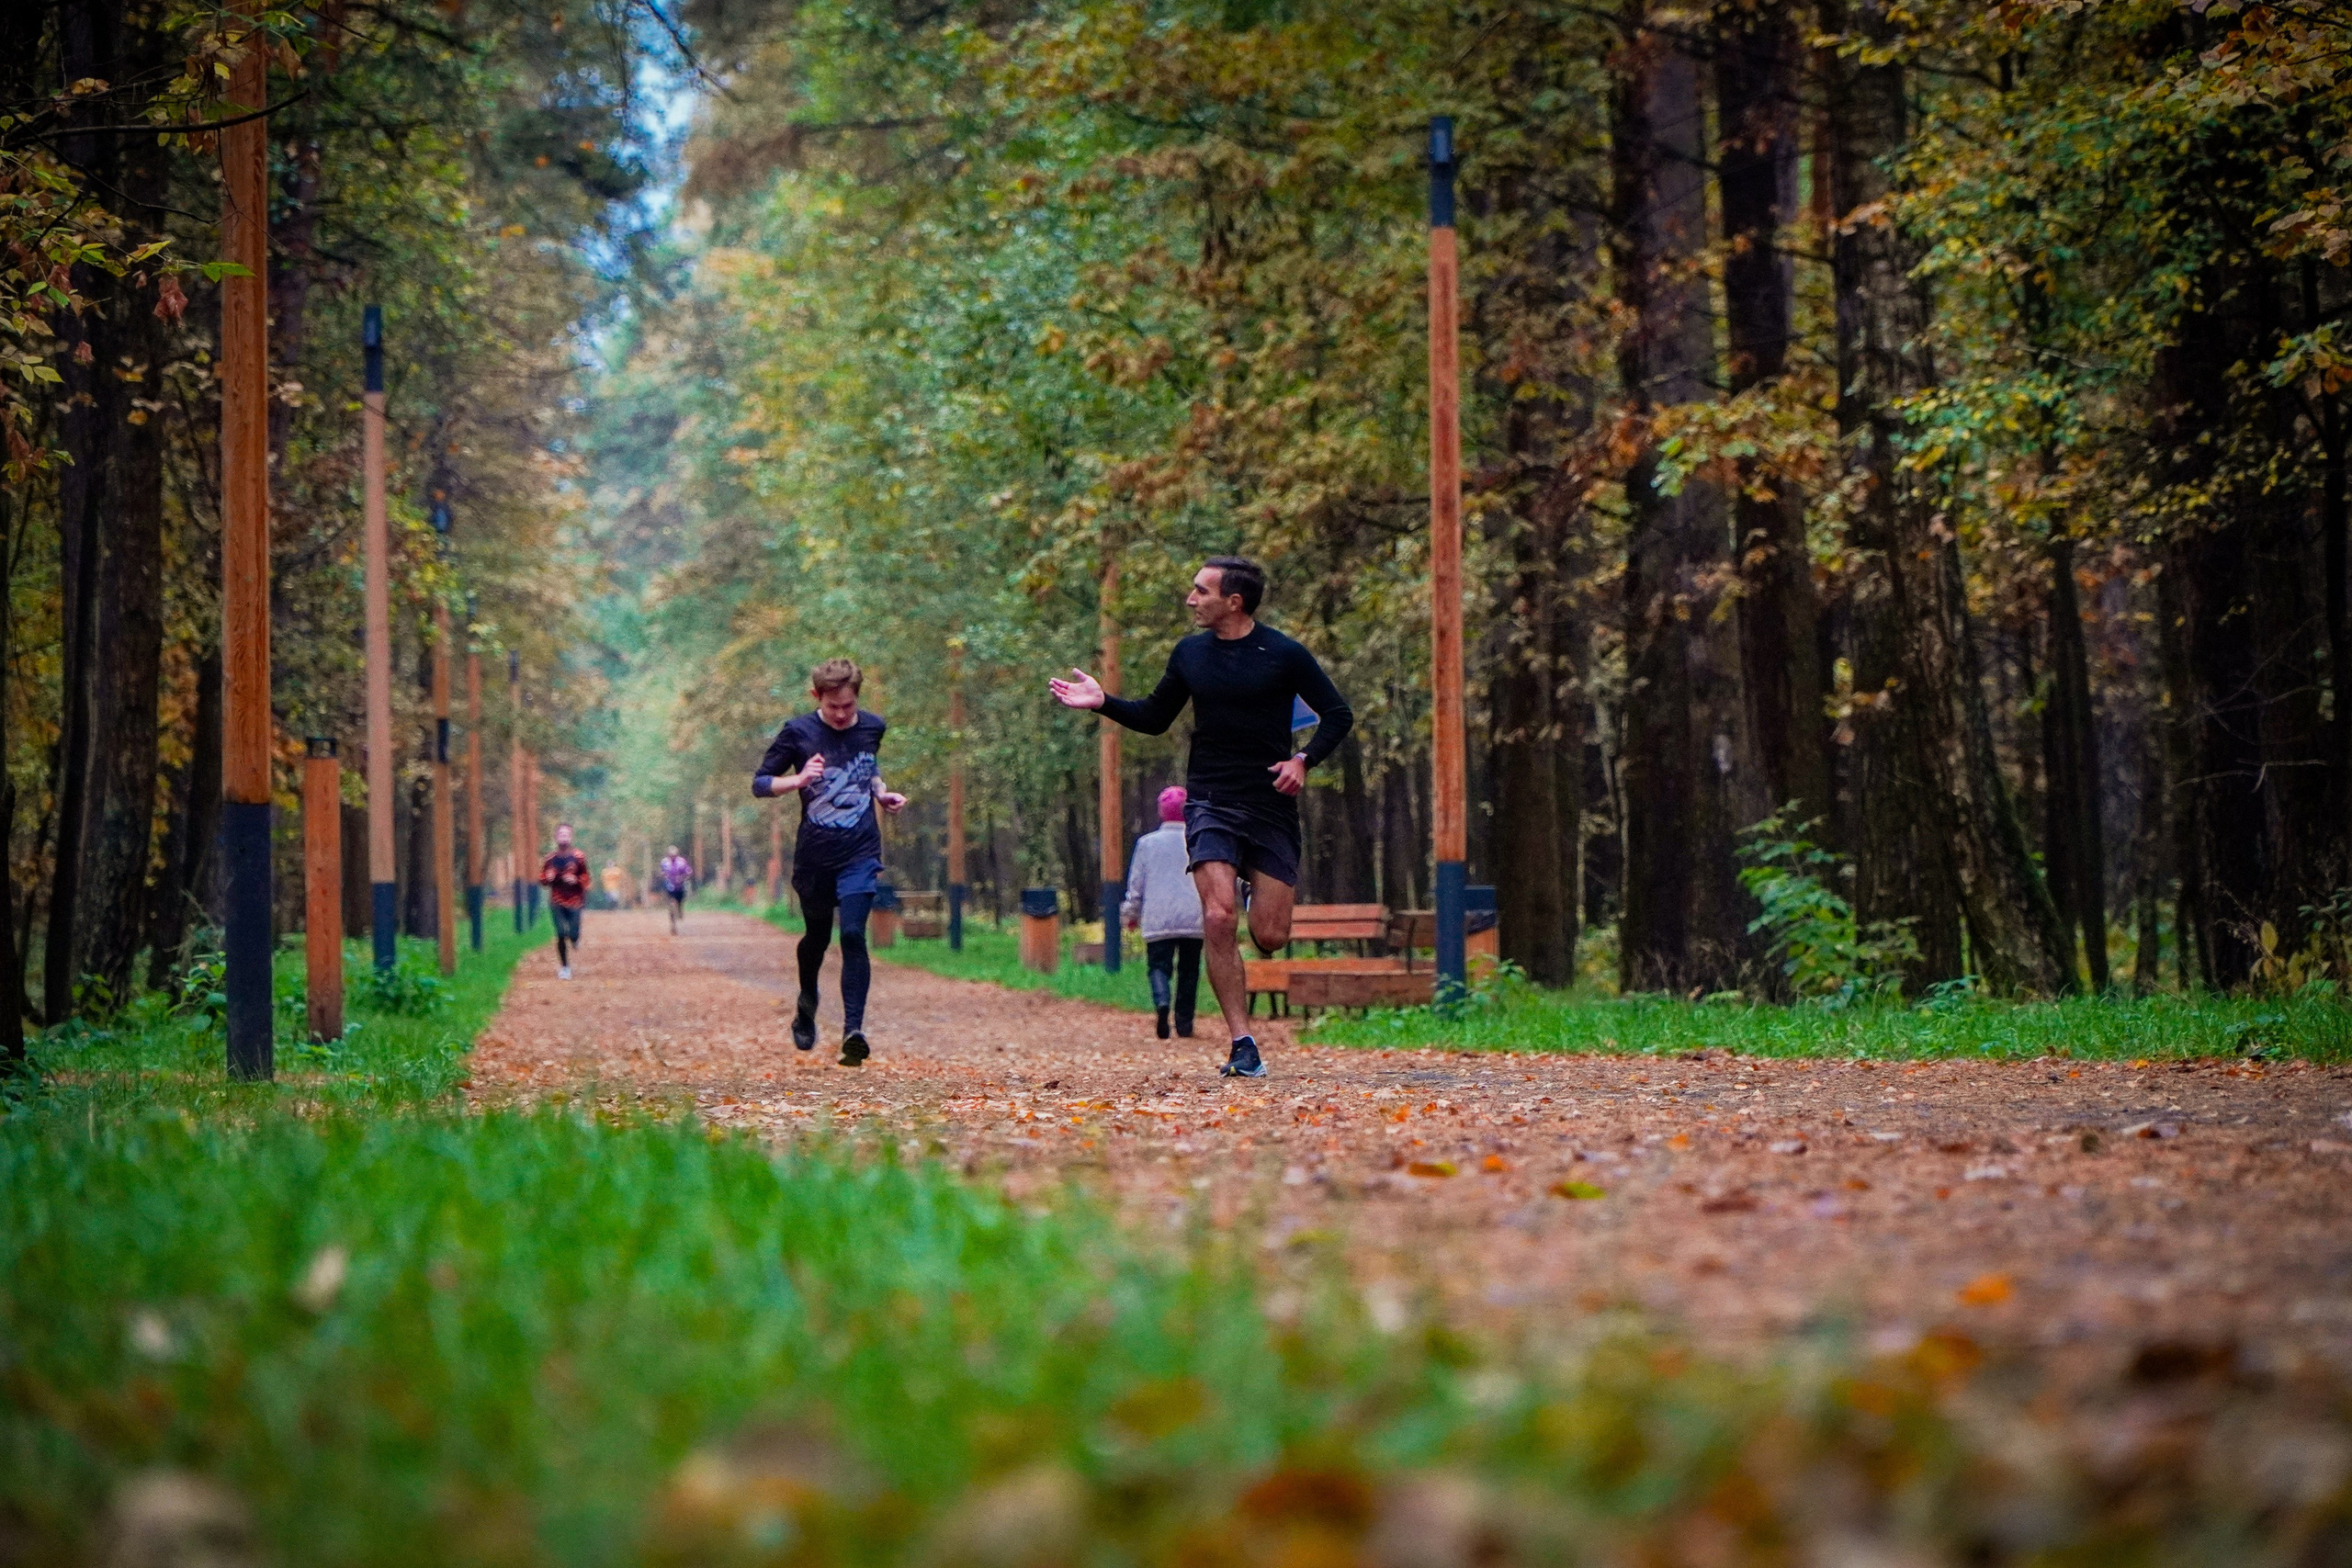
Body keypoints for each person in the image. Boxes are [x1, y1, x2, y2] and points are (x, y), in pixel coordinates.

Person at [1051, 556, 1352, 1077]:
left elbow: (1338, 714)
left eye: (1200, 592)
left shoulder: (1283, 653)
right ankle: (1243, 1042)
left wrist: (1303, 761)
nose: (1190, 600)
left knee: (1272, 936)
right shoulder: (1190, 653)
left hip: (1270, 804)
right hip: (1211, 799)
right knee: (1217, 916)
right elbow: (1153, 716)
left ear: (1233, 602)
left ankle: (1258, 887)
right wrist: (1104, 702)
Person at [752, 658, 906, 1066]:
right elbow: (760, 783)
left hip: (860, 851)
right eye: (833, 706)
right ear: (816, 696)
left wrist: (882, 794)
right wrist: (798, 780)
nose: (842, 715)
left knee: (854, 934)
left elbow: (869, 771)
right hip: (815, 857)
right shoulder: (797, 732)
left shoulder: (873, 727)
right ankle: (807, 1001)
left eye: (849, 706)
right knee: (817, 939)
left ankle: (853, 1031)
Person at [539, 824, 592, 980]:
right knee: (561, 933)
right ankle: (565, 967)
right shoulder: (550, 859)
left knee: (573, 934)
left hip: (575, 900)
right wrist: (547, 878)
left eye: (566, 834)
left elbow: (586, 878)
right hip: (557, 900)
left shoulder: (579, 857)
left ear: (571, 837)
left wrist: (576, 879)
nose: (563, 836)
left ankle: (575, 939)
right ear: (556, 837)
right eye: (560, 834)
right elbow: (542, 879)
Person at [659, 844, 693, 933]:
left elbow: (688, 872)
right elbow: (661, 872)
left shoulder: (682, 862)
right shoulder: (665, 862)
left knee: (680, 901)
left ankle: (680, 909)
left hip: (680, 886)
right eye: (671, 855)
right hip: (669, 886)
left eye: (674, 855)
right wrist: (664, 875)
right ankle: (673, 925)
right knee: (671, 905)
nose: (672, 857)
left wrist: (682, 878)